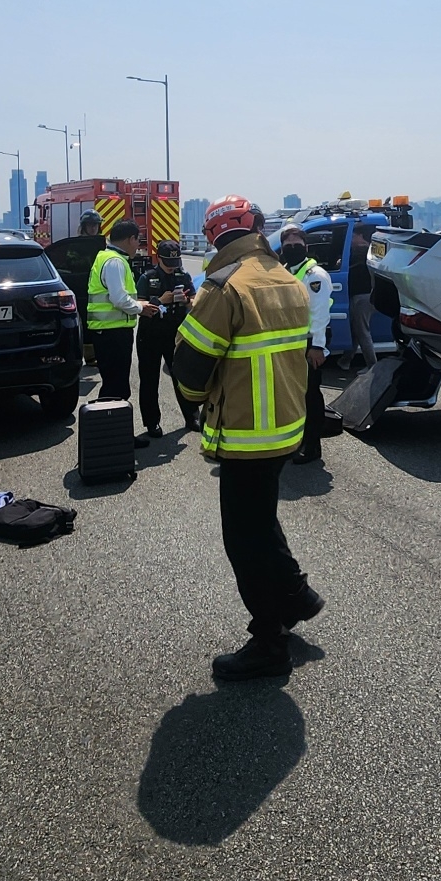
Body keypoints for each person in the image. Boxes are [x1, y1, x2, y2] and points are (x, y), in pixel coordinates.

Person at [173, 195, 320, 680]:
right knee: (262, 520)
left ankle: (268, 641)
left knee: (245, 538)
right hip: (285, 430)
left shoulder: (223, 287)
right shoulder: (287, 281)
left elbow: (191, 374)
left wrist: (196, 395)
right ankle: (297, 596)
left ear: (215, 236)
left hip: (244, 435)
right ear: (257, 228)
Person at [85, 219, 156, 446]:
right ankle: (116, 436)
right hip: (113, 333)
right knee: (116, 387)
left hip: (107, 333)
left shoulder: (104, 256)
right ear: (129, 239)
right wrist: (141, 309)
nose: (138, 245)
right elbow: (119, 299)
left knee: (113, 384)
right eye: (138, 240)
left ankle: (112, 433)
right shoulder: (115, 262)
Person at [278, 224, 331, 466]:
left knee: (310, 396)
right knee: (295, 395)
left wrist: (318, 346)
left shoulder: (314, 275)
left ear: (306, 247)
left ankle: (312, 446)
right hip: (292, 343)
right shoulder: (287, 270)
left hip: (310, 342)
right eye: (287, 245)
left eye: (296, 245)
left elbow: (319, 313)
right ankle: (298, 441)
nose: (291, 248)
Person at [135, 238, 198, 436]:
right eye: (168, 263)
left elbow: (195, 300)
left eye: (175, 263)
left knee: (183, 377)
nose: (172, 268)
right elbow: (138, 305)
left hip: (175, 333)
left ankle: (191, 416)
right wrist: (160, 301)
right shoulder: (148, 277)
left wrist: (187, 300)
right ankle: (152, 423)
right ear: (159, 259)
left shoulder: (183, 275)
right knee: (150, 379)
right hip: (151, 334)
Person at [346, 226, 376, 370]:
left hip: (363, 296)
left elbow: (354, 269)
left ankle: (372, 366)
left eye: (353, 236)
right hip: (362, 295)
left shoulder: (364, 251)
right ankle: (345, 360)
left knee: (362, 331)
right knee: (356, 330)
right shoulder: (364, 251)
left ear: (361, 236)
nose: (351, 240)